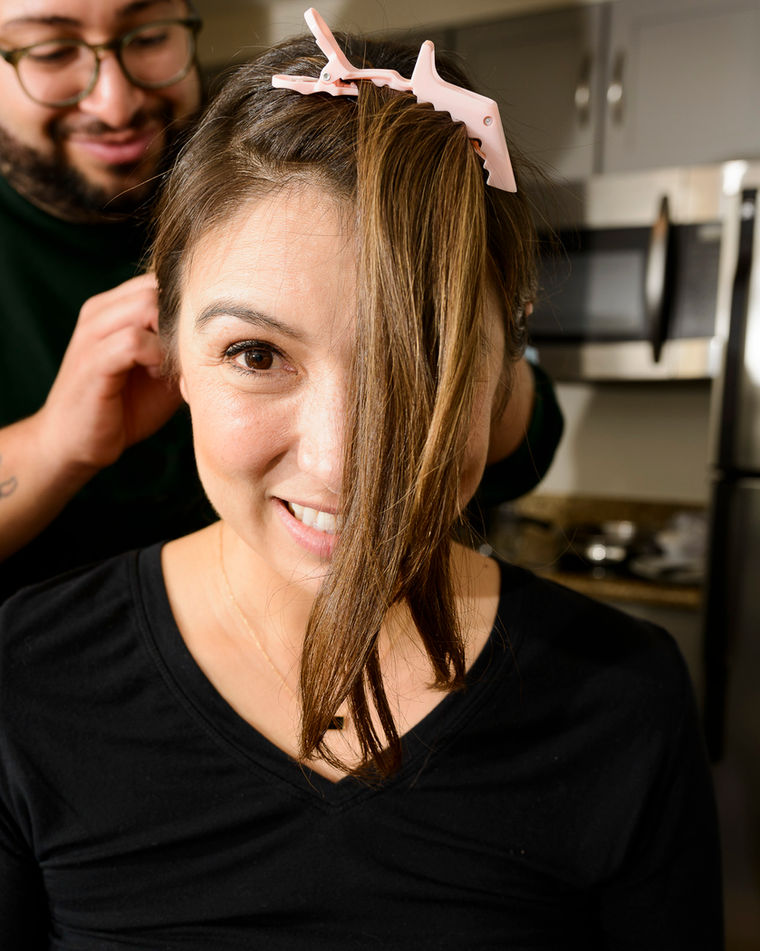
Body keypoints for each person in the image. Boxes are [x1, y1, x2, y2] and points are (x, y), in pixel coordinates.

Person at [0, 10, 720, 948]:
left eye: (427, 355)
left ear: (506, 368)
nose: (344, 461)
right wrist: (56, 442)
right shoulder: (25, 683)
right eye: (256, 352)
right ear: (166, 352)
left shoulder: (621, 700)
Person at [0, 0, 562, 603]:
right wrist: (54, 444)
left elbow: (522, 444)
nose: (115, 102)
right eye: (52, 52)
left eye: (147, 37)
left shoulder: (261, 155)